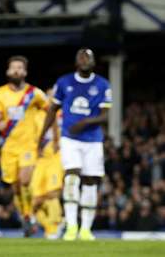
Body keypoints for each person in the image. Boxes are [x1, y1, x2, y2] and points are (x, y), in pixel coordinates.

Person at [38, 48, 112, 241]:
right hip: (70, 138)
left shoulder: (103, 84)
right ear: (75, 62)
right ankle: (71, 227)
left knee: (90, 182)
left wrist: (86, 122)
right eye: (81, 57)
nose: (84, 60)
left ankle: (86, 229)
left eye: (88, 57)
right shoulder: (64, 82)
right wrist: (41, 136)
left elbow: (105, 115)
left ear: (94, 62)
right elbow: (52, 110)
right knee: (71, 178)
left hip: (93, 140)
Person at [0, 56, 50, 236]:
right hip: (9, 147)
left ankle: (29, 215)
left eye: (20, 68)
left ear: (25, 72)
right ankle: (27, 216)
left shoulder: (35, 94)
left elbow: (50, 112)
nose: (16, 71)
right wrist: (0, 124)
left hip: (28, 146)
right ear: (8, 72)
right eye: (13, 68)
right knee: (16, 186)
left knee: (25, 180)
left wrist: (45, 134)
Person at [31, 105, 63, 239]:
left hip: (55, 157)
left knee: (52, 193)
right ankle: (51, 226)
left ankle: (53, 227)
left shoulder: (63, 113)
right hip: (40, 160)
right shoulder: (35, 116)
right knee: (34, 201)